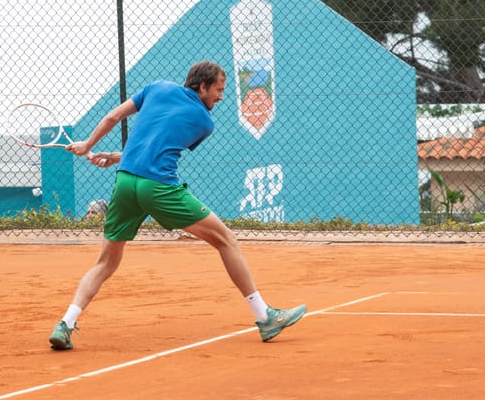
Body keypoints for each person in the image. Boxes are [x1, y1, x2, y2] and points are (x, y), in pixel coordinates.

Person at [48, 61, 306, 350]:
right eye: (218, 90)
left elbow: (116, 120)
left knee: (106, 262)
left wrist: (92, 145)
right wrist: (108, 152)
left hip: (125, 184)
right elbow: (160, 150)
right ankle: (264, 317)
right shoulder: (204, 122)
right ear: (202, 86)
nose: (221, 97)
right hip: (158, 188)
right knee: (227, 241)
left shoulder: (156, 87)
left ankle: (65, 324)